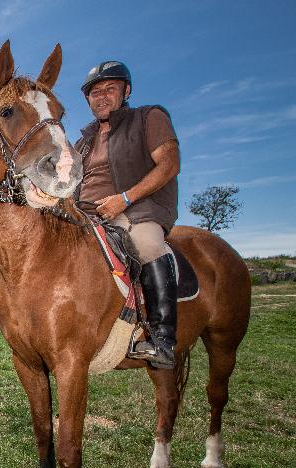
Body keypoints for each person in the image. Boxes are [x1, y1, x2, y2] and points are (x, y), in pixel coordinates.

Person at [74, 61, 181, 369]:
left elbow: (169, 164)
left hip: (137, 211)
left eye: (110, 89)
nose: (102, 97)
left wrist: (125, 198)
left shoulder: (149, 118)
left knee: (146, 244)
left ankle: (161, 339)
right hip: (87, 218)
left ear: (127, 91)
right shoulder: (83, 142)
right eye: (95, 92)